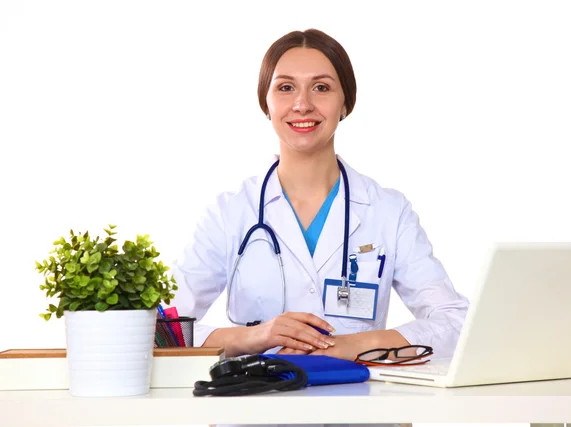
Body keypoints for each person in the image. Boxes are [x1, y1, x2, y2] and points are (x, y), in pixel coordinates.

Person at [172, 28, 469, 362]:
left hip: (359, 409)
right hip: (257, 407)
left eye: (322, 87)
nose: (302, 104)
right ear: (266, 103)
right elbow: (160, 329)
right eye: (286, 88)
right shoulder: (229, 213)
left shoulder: (388, 211)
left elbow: (455, 322)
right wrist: (255, 336)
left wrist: (353, 345)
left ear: (345, 103)